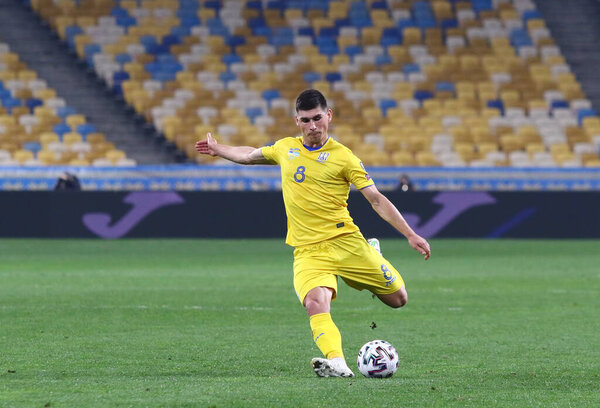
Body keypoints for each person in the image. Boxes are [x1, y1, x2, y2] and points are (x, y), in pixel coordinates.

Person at [195, 89, 431, 378]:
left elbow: (377, 199)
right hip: (308, 251)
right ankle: (337, 362)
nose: (313, 126)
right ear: (297, 121)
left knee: (398, 299)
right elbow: (249, 155)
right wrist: (219, 150)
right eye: (305, 120)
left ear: (328, 115)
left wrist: (410, 234)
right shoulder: (285, 149)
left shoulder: (344, 158)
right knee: (315, 303)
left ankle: (372, 254)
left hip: (346, 243)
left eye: (317, 118)